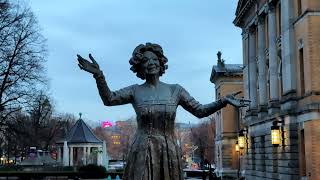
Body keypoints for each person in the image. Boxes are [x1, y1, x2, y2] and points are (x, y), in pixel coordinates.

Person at [77, 43, 249, 180]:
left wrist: (223, 101)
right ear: (140, 67)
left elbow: (200, 111)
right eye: (145, 61)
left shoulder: (176, 90)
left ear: (161, 63)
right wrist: (99, 75)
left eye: (154, 59)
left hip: (168, 150)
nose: (150, 63)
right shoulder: (135, 91)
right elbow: (109, 99)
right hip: (142, 149)